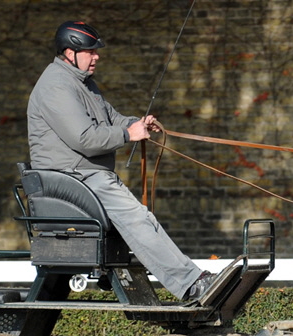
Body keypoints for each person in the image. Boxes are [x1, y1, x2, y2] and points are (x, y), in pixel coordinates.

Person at [27, 21, 218, 303]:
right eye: (90, 51)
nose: (96, 56)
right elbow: (84, 138)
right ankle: (193, 285)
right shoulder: (56, 86)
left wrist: (136, 124)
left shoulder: (82, 84)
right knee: (137, 217)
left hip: (87, 177)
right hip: (70, 179)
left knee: (142, 217)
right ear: (70, 52)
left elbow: (112, 119)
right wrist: (128, 134)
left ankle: (189, 281)